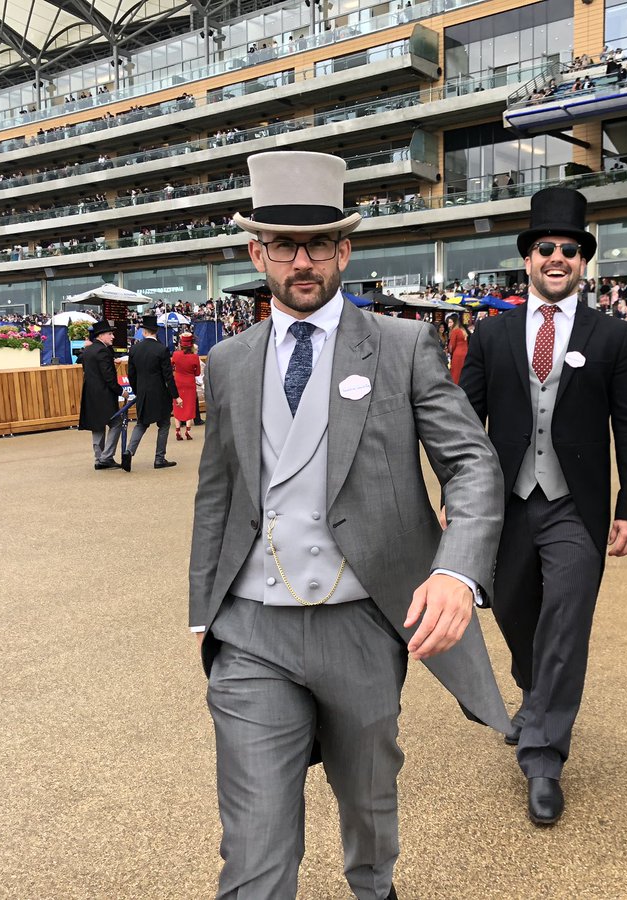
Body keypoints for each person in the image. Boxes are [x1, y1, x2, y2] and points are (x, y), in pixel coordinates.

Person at [190, 151, 509, 900]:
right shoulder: (229, 361)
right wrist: (202, 610)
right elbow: (216, 491)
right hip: (250, 630)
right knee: (254, 853)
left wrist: (458, 570)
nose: (302, 262)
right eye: (282, 245)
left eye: (320, 244)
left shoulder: (400, 347)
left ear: (346, 249)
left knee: (368, 802)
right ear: (255, 253)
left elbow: (473, 464)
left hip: (362, 623)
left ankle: (375, 885)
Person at [459, 187, 627, 826]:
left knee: (567, 618)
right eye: (547, 247)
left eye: (571, 250)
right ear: (528, 257)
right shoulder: (489, 336)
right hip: (508, 506)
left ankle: (543, 754)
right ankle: (535, 692)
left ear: (582, 261)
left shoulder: (613, 336)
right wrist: (456, 501)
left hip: (577, 507)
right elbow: (461, 427)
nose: (558, 257)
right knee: (516, 614)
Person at [126, 314, 179, 469]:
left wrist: (137, 391)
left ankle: (129, 451)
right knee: (163, 425)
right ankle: (159, 458)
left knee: (141, 424)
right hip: (160, 393)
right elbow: (168, 377)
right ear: (156, 332)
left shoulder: (134, 349)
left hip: (143, 392)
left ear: (144, 332)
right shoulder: (162, 350)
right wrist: (176, 395)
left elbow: (131, 375)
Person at [77, 318, 122, 470]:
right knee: (116, 423)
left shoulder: (88, 350)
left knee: (97, 425)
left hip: (90, 393)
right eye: (110, 334)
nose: (112, 337)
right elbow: (108, 376)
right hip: (104, 395)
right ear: (101, 335)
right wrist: (121, 391)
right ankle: (106, 457)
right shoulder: (103, 351)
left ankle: (99, 458)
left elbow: (86, 365)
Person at [171, 332, 201, 440]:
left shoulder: (175, 354)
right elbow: (197, 373)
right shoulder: (195, 357)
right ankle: (187, 431)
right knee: (189, 406)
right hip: (190, 383)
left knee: (177, 406)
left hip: (178, 382)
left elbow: (172, 366)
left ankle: (178, 431)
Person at [446, 313, 468, 384]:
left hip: (457, 354)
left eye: (450, 322)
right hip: (465, 353)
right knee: (462, 371)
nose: (449, 324)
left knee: (455, 372)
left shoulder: (455, 331)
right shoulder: (462, 330)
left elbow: (452, 346)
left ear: (454, 322)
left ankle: (455, 387)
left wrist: (449, 352)